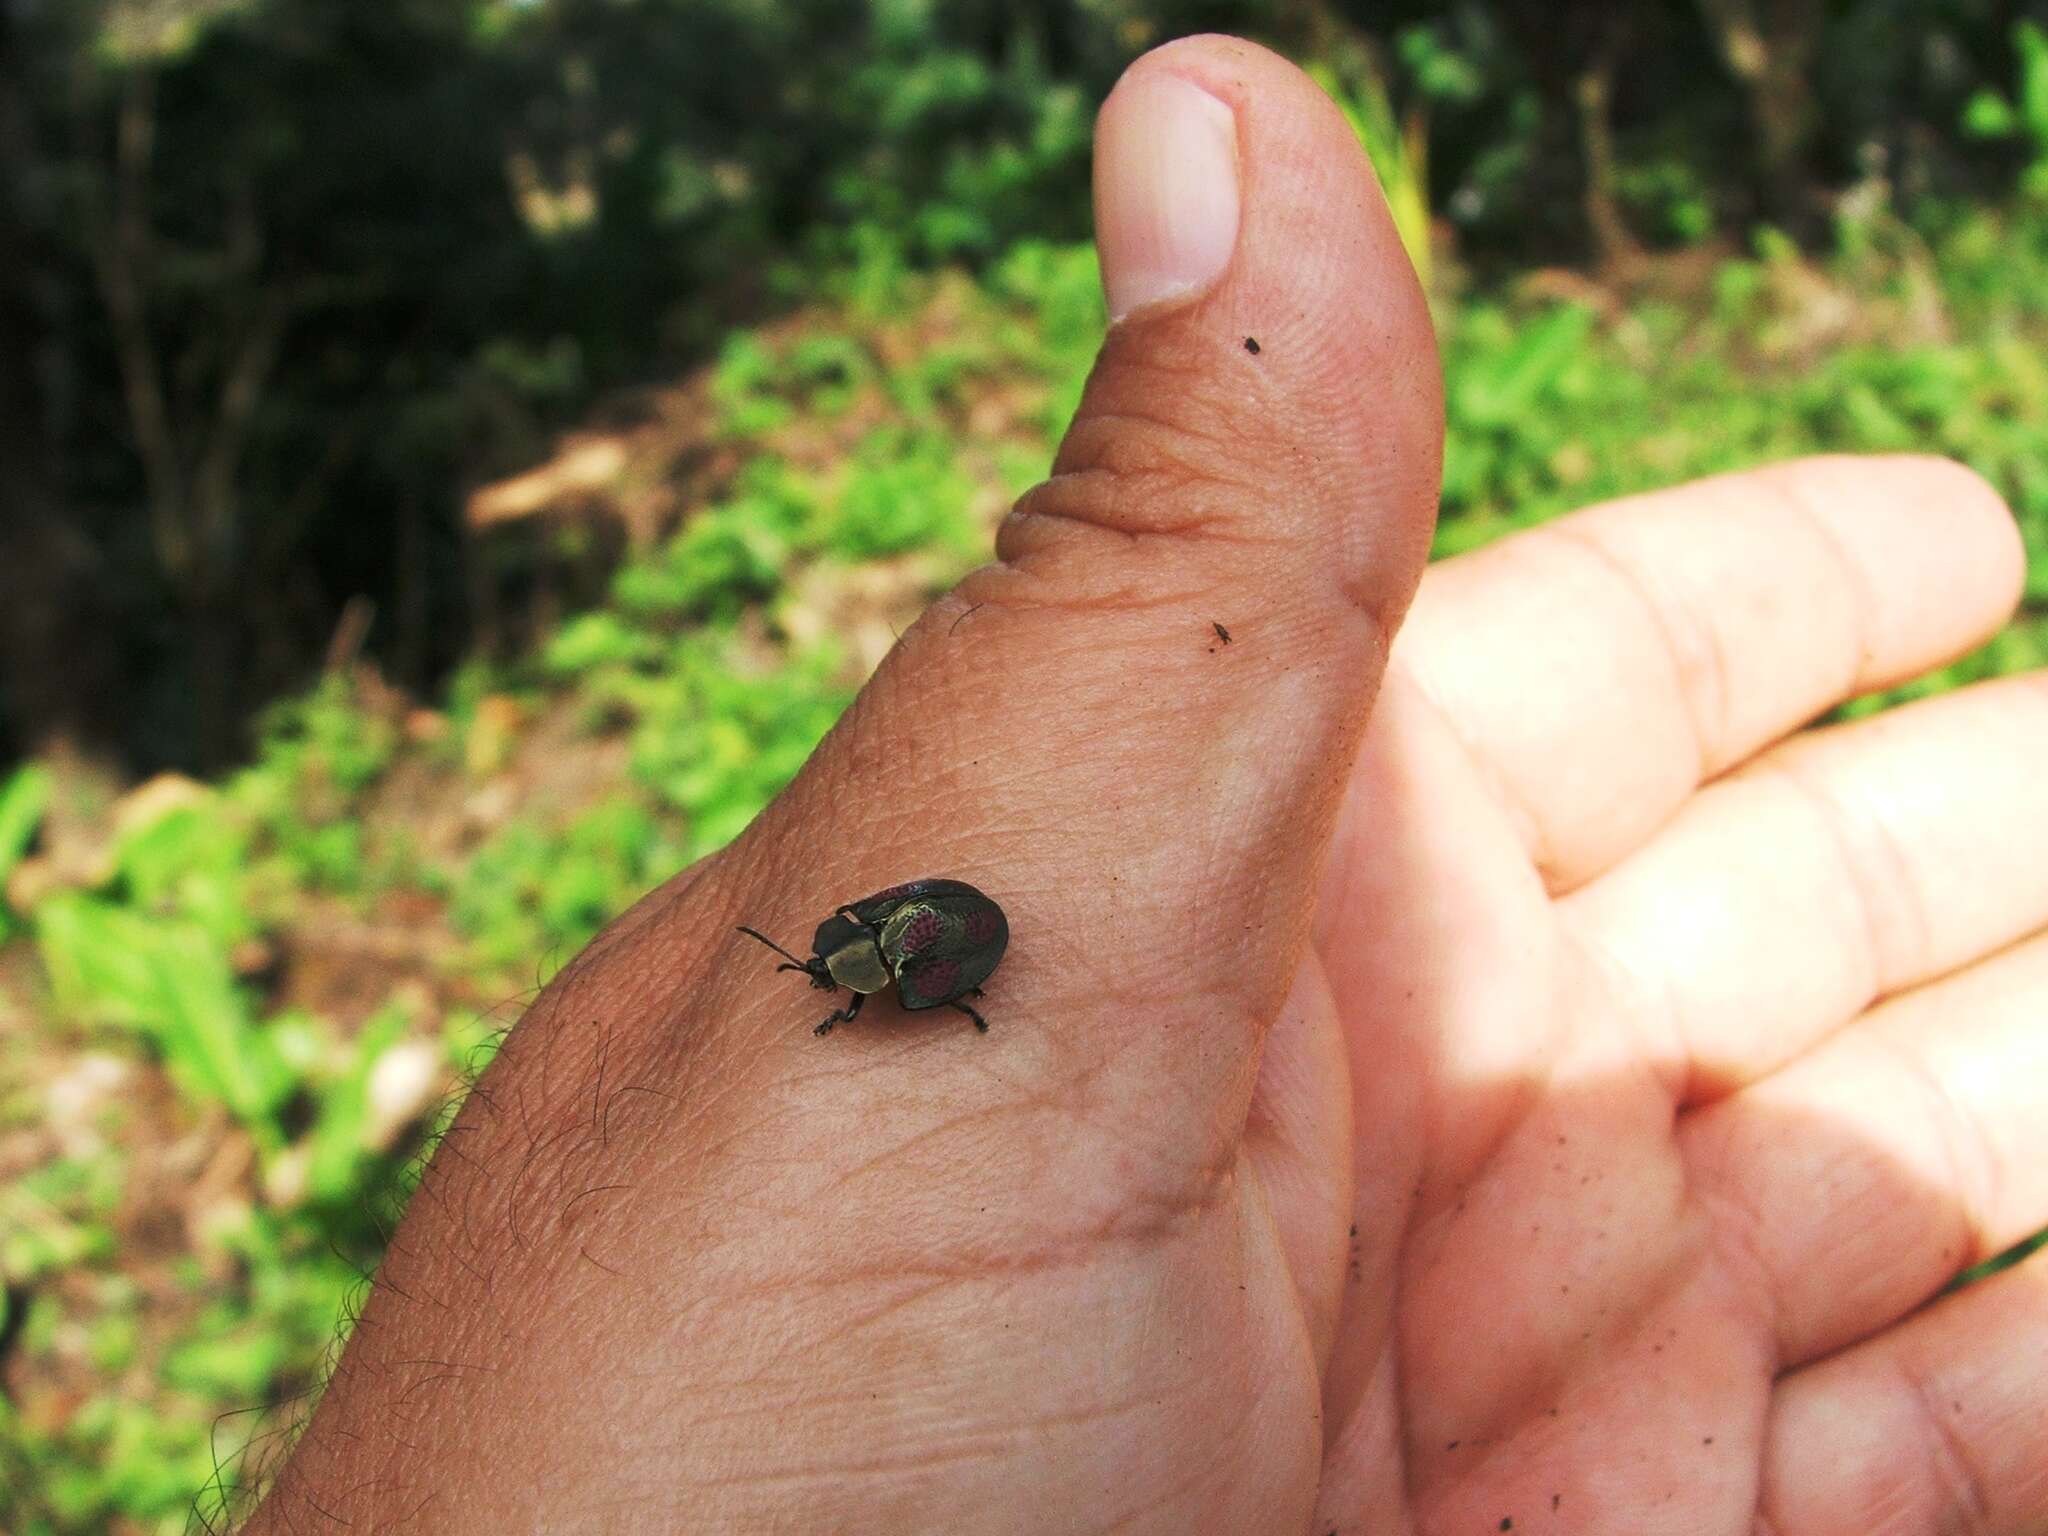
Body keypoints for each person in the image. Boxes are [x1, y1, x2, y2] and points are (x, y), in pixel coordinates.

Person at [241, 35, 2048, 1535]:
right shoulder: (883, 976)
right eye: (853, 980)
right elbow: (937, 940)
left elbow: (944, 930)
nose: (847, 978)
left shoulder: (885, 966)